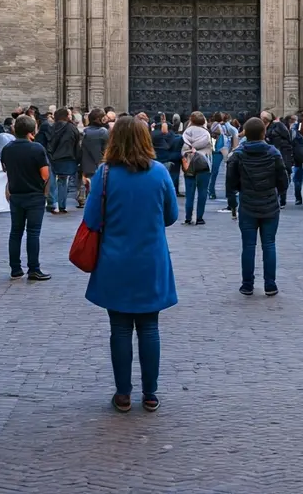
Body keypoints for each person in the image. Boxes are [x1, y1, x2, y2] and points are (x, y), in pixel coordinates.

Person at [84, 116, 178, 412]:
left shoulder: (105, 173)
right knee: (149, 328)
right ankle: (150, 394)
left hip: (115, 260)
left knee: (120, 329)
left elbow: (91, 220)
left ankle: (123, 394)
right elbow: (171, 215)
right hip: (150, 259)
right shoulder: (160, 172)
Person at [226, 117, 288, 296]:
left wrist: (234, 200)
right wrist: (279, 193)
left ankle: (247, 285)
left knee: (248, 245)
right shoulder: (273, 153)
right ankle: (270, 284)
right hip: (269, 203)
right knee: (269, 244)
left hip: (248, 203)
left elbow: (231, 181)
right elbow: (282, 179)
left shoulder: (238, 154)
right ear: (264, 132)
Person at [1, 115, 52, 281]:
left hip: (16, 194)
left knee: (15, 232)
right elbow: (44, 174)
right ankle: (34, 269)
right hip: (34, 195)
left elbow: (5, 169)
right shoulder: (37, 149)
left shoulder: (7, 148)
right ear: (32, 131)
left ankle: (15, 269)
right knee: (33, 232)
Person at [46, 108, 82, 214]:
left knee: (52, 179)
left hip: (52, 157)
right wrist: (78, 159)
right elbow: (77, 145)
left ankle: (52, 203)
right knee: (63, 181)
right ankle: (62, 205)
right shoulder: (72, 128)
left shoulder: (51, 127)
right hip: (67, 157)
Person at [181, 111, 214, 225]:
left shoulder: (186, 133)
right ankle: (199, 217)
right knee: (202, 191)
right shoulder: (206, 133)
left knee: (189, 193)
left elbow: (183, 149)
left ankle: (188, 217)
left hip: (189, 163)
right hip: (203, 164)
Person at [262, 111, 295, 207]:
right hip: (273, 156)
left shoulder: (278, 126)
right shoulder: (266, 127)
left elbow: (287, 139)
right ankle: (277, 198)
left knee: (283, 176)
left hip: (282, 155)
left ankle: (282, 199)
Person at [79, 109, 110, 209]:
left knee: (88, 185)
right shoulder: (103, 131)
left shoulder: (84, 131)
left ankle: (85, 201)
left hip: (86, 162)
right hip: (99, 163)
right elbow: (106, 148)